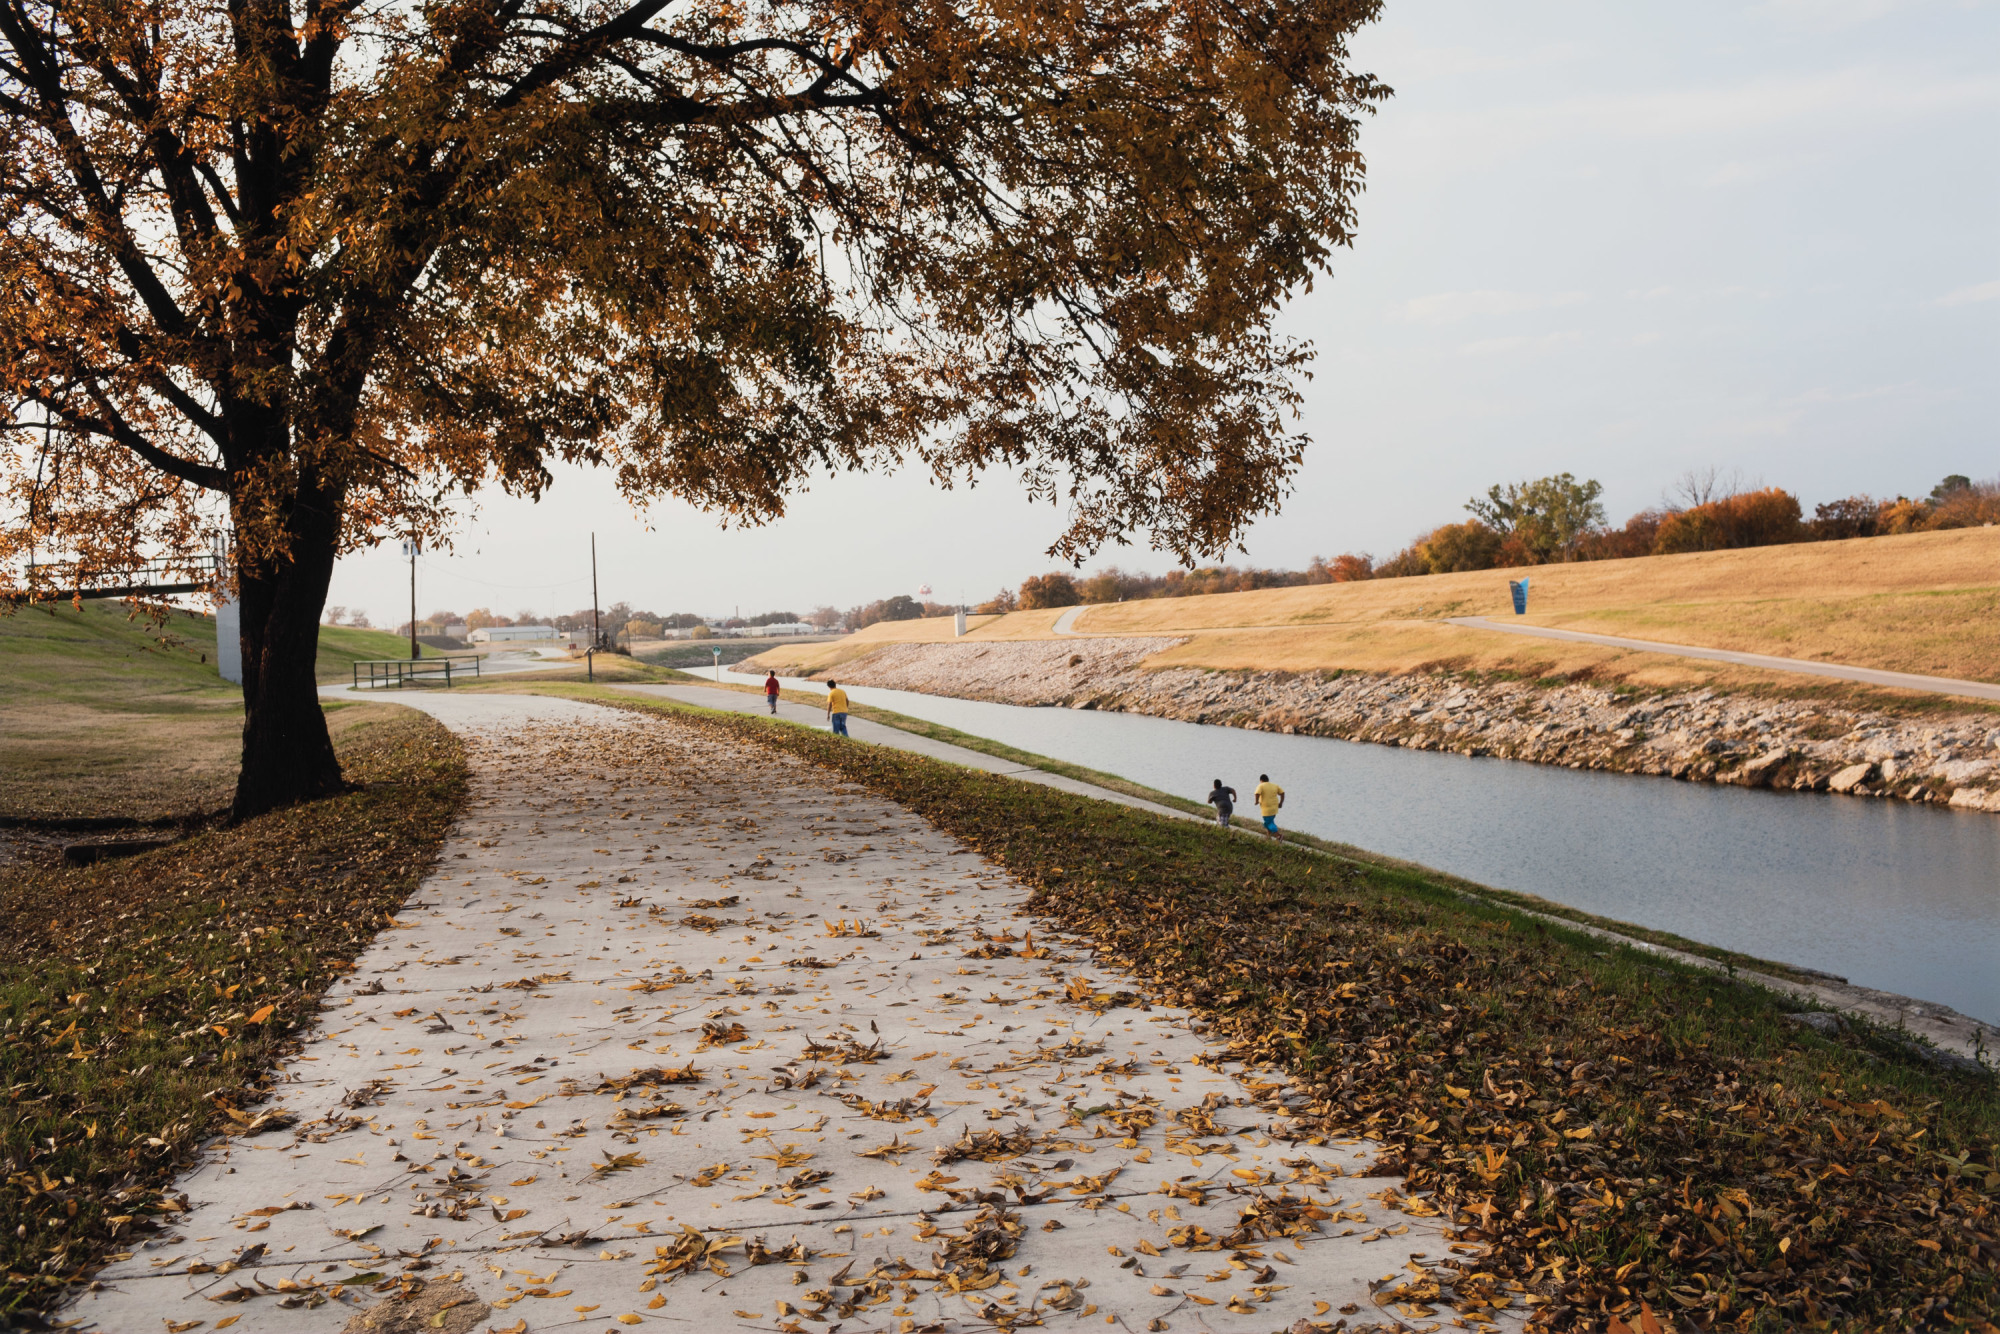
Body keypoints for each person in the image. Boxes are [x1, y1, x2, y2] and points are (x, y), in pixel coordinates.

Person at [1252, 773, 1285, 839]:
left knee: (1268, 823)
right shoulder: (1275, 785)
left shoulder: (1261, 786)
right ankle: (1268, 836)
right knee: (1270, 821)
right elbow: (1282, 793)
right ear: (1267, 780)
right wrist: (1281, 803)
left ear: (1261, 780)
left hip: (1266, 809)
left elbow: (1257, 793)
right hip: (1274, 808)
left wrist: (1256, 801)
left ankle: (1279, 836)